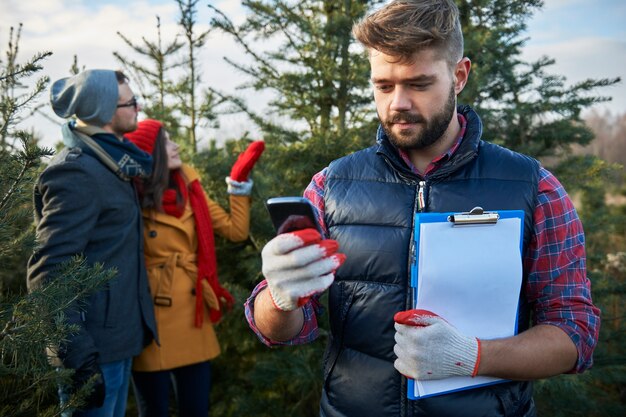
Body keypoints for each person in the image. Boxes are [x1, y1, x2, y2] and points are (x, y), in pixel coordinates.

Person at [244, 1, 601, 416]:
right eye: (383, 86)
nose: (398, 103)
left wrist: (473, 357)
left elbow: (575, 334)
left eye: (418, 84)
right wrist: (280, 296)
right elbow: (283, 332)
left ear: (459, 75)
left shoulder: (533, 187)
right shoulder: (330, 186)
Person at [27, 70, 157, 417]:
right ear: (105, 111)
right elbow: (48, 271)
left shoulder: (113, 162)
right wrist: (78, 354)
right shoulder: (77, 172)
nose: (137, 108)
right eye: (130, 103)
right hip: (92, 350)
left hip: (118, 341)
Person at [125, 119, 263, 417]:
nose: (175, 146)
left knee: (196, 409)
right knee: (153, 410)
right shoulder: (128, 194)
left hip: (192, 312)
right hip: (149, 314)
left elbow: (235, 231)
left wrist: (238, 184)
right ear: (149, 152)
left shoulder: (190, 186)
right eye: (166, 142)